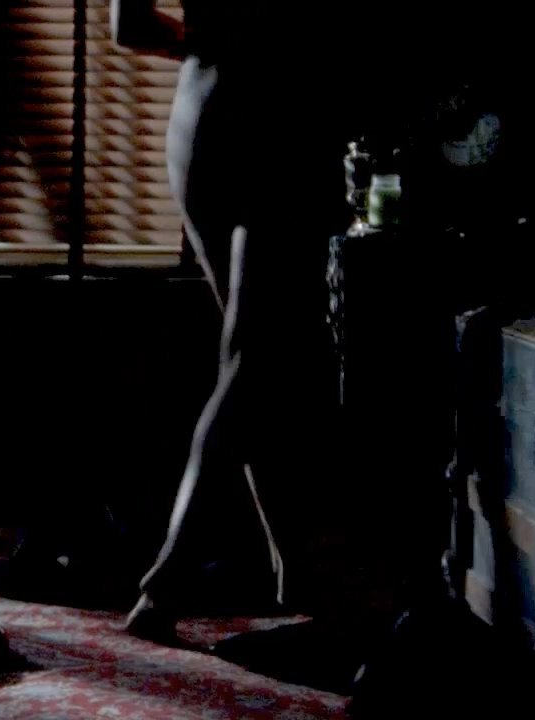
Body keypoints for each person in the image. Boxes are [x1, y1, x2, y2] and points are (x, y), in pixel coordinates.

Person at [110, 0, 350, 639]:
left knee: (252, 362)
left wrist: (215, 37)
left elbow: (129, 24)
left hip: (199, 121)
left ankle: (294, 571)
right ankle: (165, 584)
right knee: (255, 362)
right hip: (282, 124)